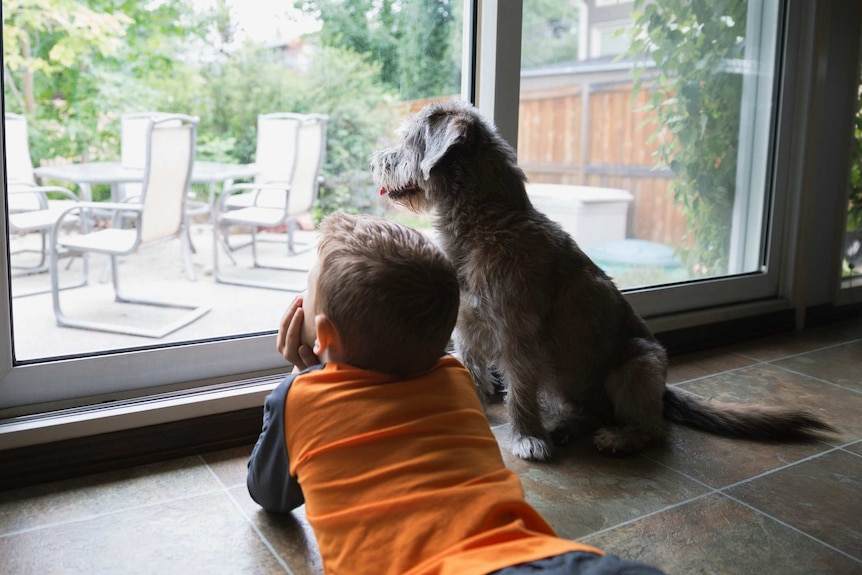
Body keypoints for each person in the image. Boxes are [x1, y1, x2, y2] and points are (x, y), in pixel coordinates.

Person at [247, 212, 665, 575]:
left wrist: (306, 374)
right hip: (536, 555)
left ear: (321, 334)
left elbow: (270, 494)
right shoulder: (457, 379)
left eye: (306, 290)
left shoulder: (299, 397)